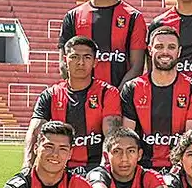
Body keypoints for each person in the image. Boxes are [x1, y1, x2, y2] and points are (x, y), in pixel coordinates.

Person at [25, 36, 121, 175]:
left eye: (87, 57)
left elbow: (111, 136)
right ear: (65, 60)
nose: (80, 62)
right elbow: (35, 132)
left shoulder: (108, 93)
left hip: (95, 168)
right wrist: (27, 167)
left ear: (95, 62)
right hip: (59, 169)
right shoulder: (50, 95)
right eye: (74, 57)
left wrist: (103, 171)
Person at [121, 26, 192, 171]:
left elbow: (190, 138)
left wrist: (177, 168)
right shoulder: (132, 88)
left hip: (178, 169)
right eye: (159, 46)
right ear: (150, 49)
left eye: (171, 47)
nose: (165, 52)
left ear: (179, 52)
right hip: (142, 168)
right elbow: (128, 139)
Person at [58, 0, 146, 86]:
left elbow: (137, 67)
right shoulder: (73, 16)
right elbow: (64, 65)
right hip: (83, 101)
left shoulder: (134, 17)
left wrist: (115, 98)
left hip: (120, 101)